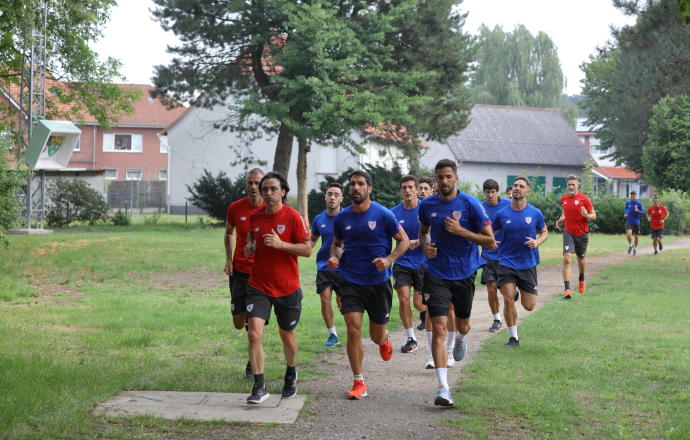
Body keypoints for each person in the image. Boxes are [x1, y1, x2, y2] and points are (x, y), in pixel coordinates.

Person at [419, 159, 495, 407]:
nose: (444, 181)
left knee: (463, 324)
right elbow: (423, 232)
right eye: (440, 177)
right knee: (439, 328)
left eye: (448, 176)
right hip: (437, 272)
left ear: (456, 177)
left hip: (464, 273)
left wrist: (461, 231)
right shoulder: (427, 205)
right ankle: (443, 388)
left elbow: (490, 241)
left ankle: (462, 339)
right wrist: (425, 247)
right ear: (435, 179)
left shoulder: (471, 204)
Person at [328, 170, 410, 400]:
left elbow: (403, 240)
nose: (356, 187)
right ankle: (358, 382)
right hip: (350, 281)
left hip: (377, 283)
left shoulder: (383, 215)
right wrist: (335, 256)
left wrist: (389, 260)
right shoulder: (343, 218)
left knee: (375, 335)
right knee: (353, 329)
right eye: (352, 184)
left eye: (361, 184)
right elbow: (337, 244)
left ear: (369, 189)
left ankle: (384, 340)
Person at [244, 172, 312, 404]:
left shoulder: (293, 217)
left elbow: (307, 250)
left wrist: (282, 244)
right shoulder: (255, 217)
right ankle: (259, 386)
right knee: (254, 333)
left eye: (273, 189)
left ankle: (291, 373)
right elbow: (251, 241)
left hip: (287, 287)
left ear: (283, 191)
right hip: (258, 285)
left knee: (287, 334)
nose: (269, 193)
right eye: (265, 190)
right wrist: (250, 248)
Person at [492, 177, 548, 347]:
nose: (517, 188)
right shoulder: (501, 214)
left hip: (527, 263)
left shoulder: (535, 213)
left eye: (521, 186)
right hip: (506, 262)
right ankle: (513, 337)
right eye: (515, 185)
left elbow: (544, 232)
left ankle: (517, 291)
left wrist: (537, 241)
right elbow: (489, 231)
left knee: (529, 305)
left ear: (527, 192)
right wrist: (490, 241)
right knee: (508, 299)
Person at [224, 168, 264, 381]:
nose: (253, 186)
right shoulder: (235, 208)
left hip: (260, 274)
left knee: (253, 323)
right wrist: (229, 259)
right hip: (239, 271)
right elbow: (228, 232)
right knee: (239, 321)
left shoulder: (270, 209)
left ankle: (252, 365)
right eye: (250, 182)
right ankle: (249, 324)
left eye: (257, 182)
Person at [391, 176, 425, 353]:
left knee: (419, 304)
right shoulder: (394, 213)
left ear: (417, 190)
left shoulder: (426, 209)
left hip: (423, 262)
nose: (407, 190)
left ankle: (428, 314)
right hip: (402, 261)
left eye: (411, 187)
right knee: (403, 300)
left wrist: (420, 241)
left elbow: (437, 234)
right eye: (404, 187)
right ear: (401, 190)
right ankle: (411, 338)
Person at [310, 182, 345, 346]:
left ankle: (352, 327)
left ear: (341, 198)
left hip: (344, 267)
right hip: (324, 266)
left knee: (342, 301)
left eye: (336, 194)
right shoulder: (319, 219)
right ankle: (333, 335)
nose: (332, 197)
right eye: (330, 194)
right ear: (325, 196)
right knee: (325, 300)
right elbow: (311, 242)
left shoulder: (348, 217)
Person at [555, 175, 596, 299]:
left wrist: (587, 216)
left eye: (573, 184)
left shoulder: (584, 199)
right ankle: (567, 289)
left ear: (578, 185)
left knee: (581, 259)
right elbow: (565, 212)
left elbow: (594, 215)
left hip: (582, 233)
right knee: (567, 258)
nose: (571, 187)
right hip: (569, 232)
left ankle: (582, 278)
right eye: (569, 184)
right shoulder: (563, 199)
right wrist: (561, 219)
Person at [480, 179, 511, 333]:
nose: (491, 195)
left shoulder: (507, 204)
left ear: (498, 192)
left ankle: (514, 290)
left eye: (493, 192)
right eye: (488, 192)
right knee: (491, 288)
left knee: (506, 291)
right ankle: (497, 319)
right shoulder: (480, 207)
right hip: (487, 254)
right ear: (484, 193)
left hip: (505, 254)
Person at [415, 176, 434, 333]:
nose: (422, 191)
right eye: (419, 188)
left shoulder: (435, 208)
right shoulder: (412, 208)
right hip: (416, 262)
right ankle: (427, 316)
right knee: (418, 302)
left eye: (425, 188)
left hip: (434, 262)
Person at [624, 191, 645, 256]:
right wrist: (625, 213)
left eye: (633, 196)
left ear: (636, 196)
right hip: (629, 221)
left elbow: (643, 211)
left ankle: (635, 249)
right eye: (631, 196)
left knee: (636, 237)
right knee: (629, 235)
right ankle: (631, 245)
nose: (632, 198)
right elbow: (626, 209)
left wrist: (638, 211)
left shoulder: (639, 203)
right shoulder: (628, 202)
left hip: (636, 222)